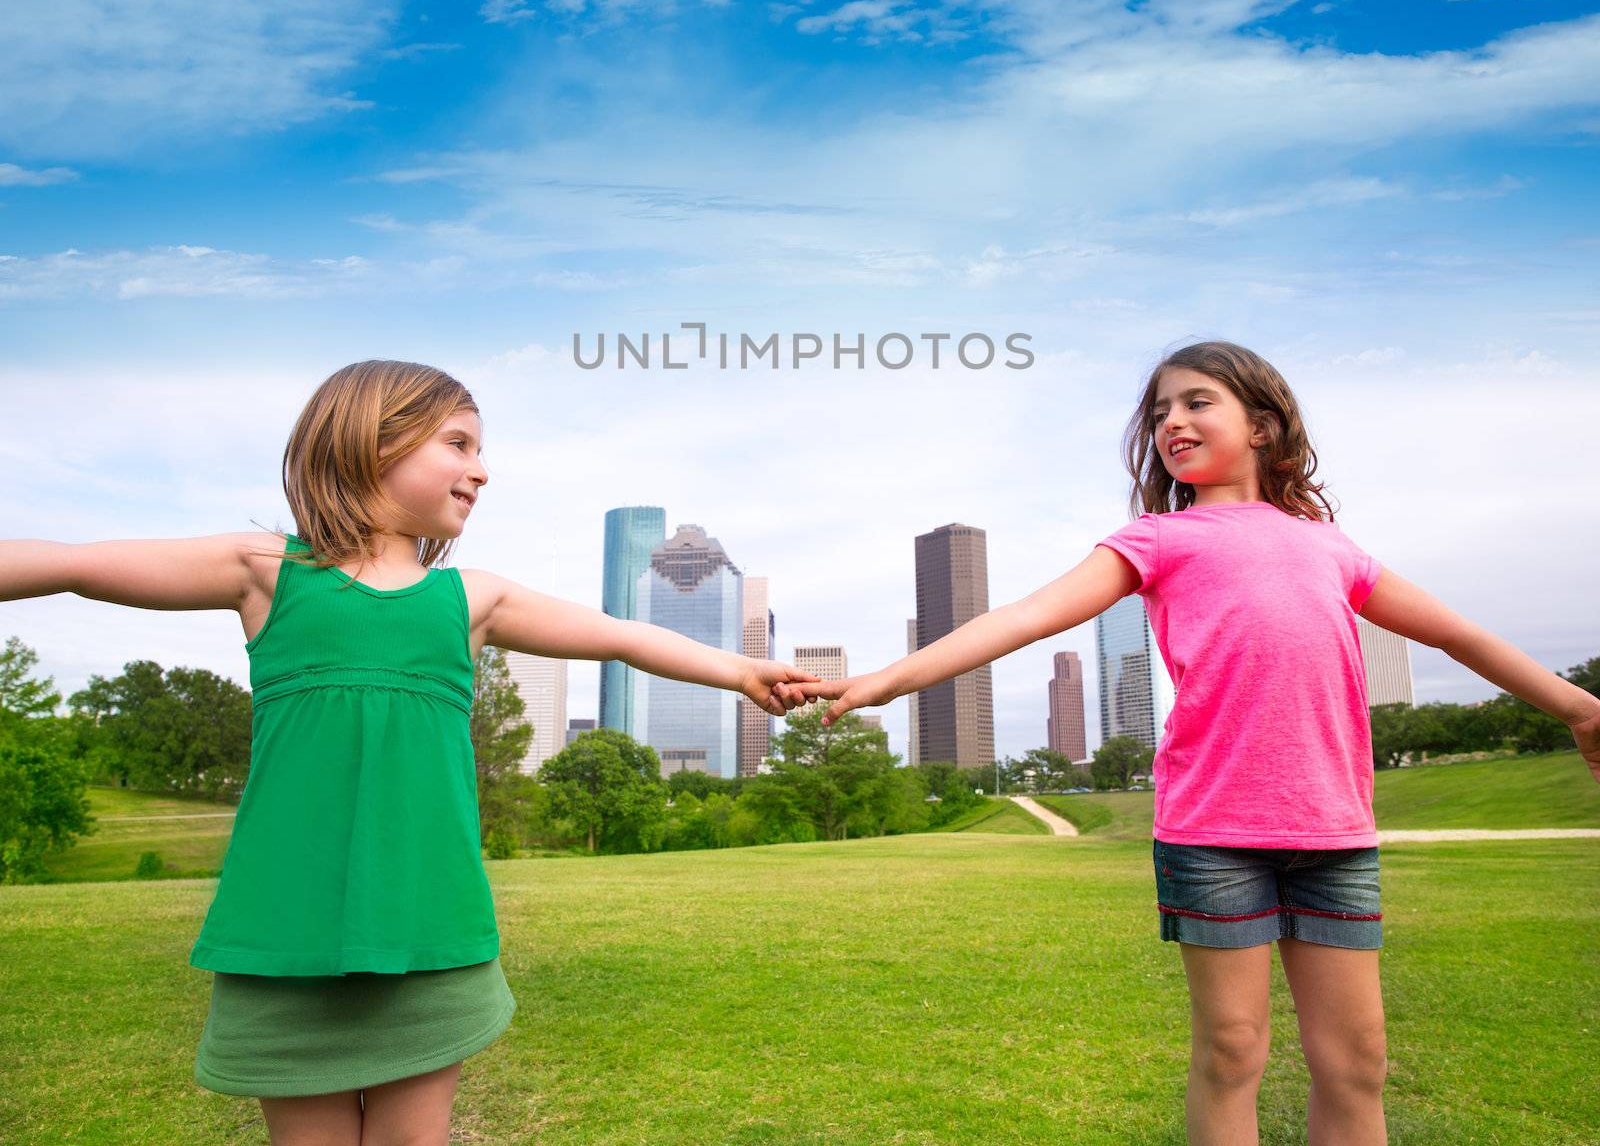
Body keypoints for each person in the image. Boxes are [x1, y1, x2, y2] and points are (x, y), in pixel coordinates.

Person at [798, 339, 1600, 1146]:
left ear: (1262, 424)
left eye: (1194, 402)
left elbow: (1458, 636)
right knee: (1232, 1049)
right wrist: (886, 681)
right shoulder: (1155, 541)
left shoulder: (1332, 548)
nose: (1171, 423)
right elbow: (1020, 618)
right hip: (1213, 836)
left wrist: (1579, 709)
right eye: (1158, 414)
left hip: (1334, 832)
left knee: (1357, 1060)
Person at [0, 358, 818, 1146]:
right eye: (458, 444)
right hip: (285, 934)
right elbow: (74, 566)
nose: (483, 470)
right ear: (373, 441)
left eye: (480, 449)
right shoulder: (263, 573)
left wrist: (740, 669)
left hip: (430, 928)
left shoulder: (470, 598)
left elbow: (623, 636)